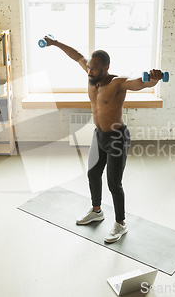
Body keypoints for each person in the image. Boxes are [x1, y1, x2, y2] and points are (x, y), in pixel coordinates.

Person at [43, 36, 163, 243]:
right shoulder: (91, 75)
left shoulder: (118, 83)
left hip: (117, 138)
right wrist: (54, 43)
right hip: (99, 135)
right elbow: (76, 56)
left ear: (106, 67)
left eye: (94, 69)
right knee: (92, 174)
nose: (89, 71)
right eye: (89, 68)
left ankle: (121, 224)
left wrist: (154, 79)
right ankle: (97, 210)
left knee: (114, 183)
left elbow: (140, 83)